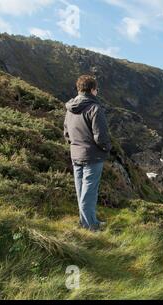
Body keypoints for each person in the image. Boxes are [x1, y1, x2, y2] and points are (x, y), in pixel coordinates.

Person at [64, 75, 111, 231]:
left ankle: (87, 221)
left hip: (75, 154)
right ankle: (90, 226)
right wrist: (106, 148)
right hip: (92, 156)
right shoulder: (94, 108)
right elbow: (101, 136)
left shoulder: (70, 109)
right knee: (89, 192)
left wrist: (74, 145)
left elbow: (66, 133)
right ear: (92, 90)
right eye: (96, 89)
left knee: (81, 191)